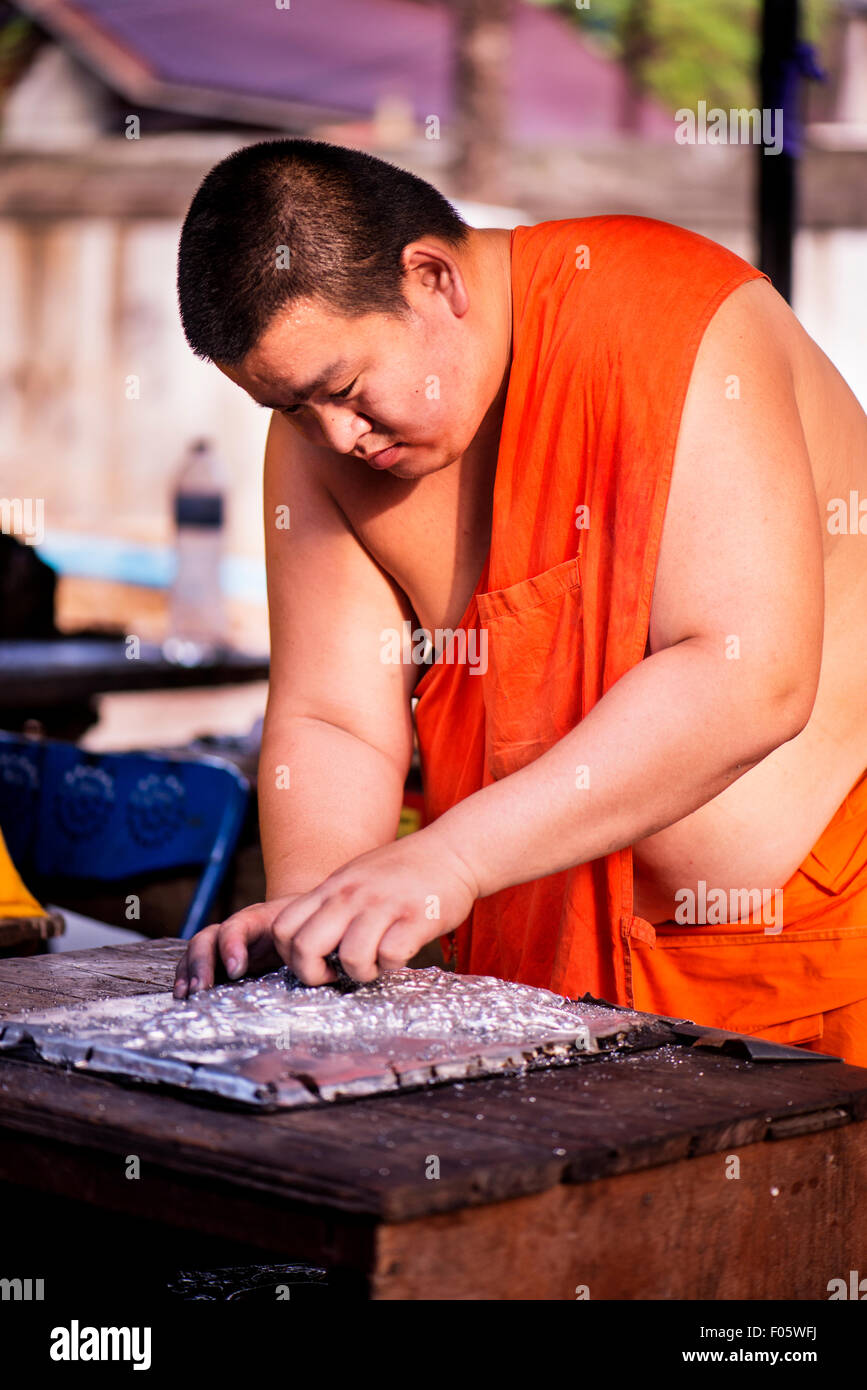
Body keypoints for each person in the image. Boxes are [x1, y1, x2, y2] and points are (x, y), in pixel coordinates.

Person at [173, 139, 867, 1066]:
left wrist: (451, 858)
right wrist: (320, 916)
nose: (335, 434)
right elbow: (335, 715)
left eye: (341, 390)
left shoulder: (667, 318)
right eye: (289, 407)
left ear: (431, 278)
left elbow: (748, 677)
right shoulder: (324, 441)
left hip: (792, 964)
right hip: (524, 986)